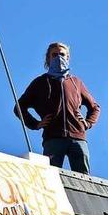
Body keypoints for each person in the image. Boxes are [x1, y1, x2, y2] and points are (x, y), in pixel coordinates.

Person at [14, 42, 100, 174]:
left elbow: (94, 107)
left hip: (78, 138)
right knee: (51, 175)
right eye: (54, 55)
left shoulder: (76, 82)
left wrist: (87, 123)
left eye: (62, 54)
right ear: (48, 59)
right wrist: (36, 124)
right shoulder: (40, 82)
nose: (58, 58)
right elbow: (19, 107)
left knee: (83, 178)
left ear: (68, 58)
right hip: (53, 138)